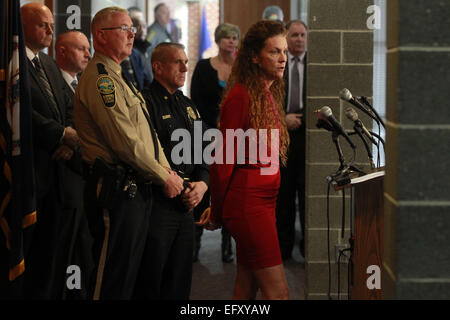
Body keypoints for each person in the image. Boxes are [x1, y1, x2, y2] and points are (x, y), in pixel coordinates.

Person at [73, 6, 184, 300]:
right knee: (112, 277)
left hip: (135, 188)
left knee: (129, 277)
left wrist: (166, 169)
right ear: (100, 35)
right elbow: (125, 141)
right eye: (124, 28)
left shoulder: (119, 76)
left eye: (132, 28)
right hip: (115, 191)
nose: (131, 34)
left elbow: (146, 133)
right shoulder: (102, 80)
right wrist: (164, 176)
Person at [198, 20, 290, 300]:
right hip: (249, 204)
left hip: (264, 200)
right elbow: (223, 159)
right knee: (279, 293)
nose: (283, 58)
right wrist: (216, 209)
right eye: (274, 52)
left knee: (246, 286)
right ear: (253, 56)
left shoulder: (267, 93)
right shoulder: (241, 95)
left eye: (284, 51)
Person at [139, 43, 209, 299]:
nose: (185, 68)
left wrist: (202, 184)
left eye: (186, 62)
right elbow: (144, 155)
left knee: (181, 278)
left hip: (187, 205)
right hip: (158, 204)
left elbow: (203, 151)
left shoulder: (188, 105)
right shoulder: (144, 102)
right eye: (177, 62)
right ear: (158, 67)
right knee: (152, 278)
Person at [21, 2, 81, 299]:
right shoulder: (11, 64)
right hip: (29, 173)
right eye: (42, 24)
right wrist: (59, 134)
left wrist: (69, 141)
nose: (50, 30)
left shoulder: (47, 64)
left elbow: (70, 106)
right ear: (22, 26)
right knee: (29, 258)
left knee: (53, 256)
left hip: (59, 172)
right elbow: (20, 112)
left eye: (50, 24)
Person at [190, 22, 240, 263]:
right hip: (206, 133)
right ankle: (196, 242)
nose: (231, 41)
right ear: (218, 41)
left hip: (235, 137)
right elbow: (195, 101)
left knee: (230, 188)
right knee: (204, 183)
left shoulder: (243, 70)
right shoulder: (203, 67)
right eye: (227, 37)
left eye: (234, 38)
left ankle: (227, 246)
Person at [54, 30, 94, 299]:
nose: (88, 54)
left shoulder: (83, 86)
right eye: (81, 49)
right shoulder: (52, 83)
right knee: (62, 252)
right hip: (60, 183)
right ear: (62, 51)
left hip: (86, 179)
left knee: (84, 250)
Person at [276, 20, 308, 261]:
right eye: (294, 35)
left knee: (306, 195)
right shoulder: (279, 64)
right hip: (281, 136)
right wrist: (282, 119)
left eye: (302, 35)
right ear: (286, 38)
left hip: (308, 137)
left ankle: (308, 248)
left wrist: (303, 119)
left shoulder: (315, 64)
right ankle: (283, 248)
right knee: (284, 196)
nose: (299, 39)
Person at [131, 16, 154, 82]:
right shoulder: (131, 51)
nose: (142, 30)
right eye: (138, 27)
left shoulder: (148, 48)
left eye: (144, 26)